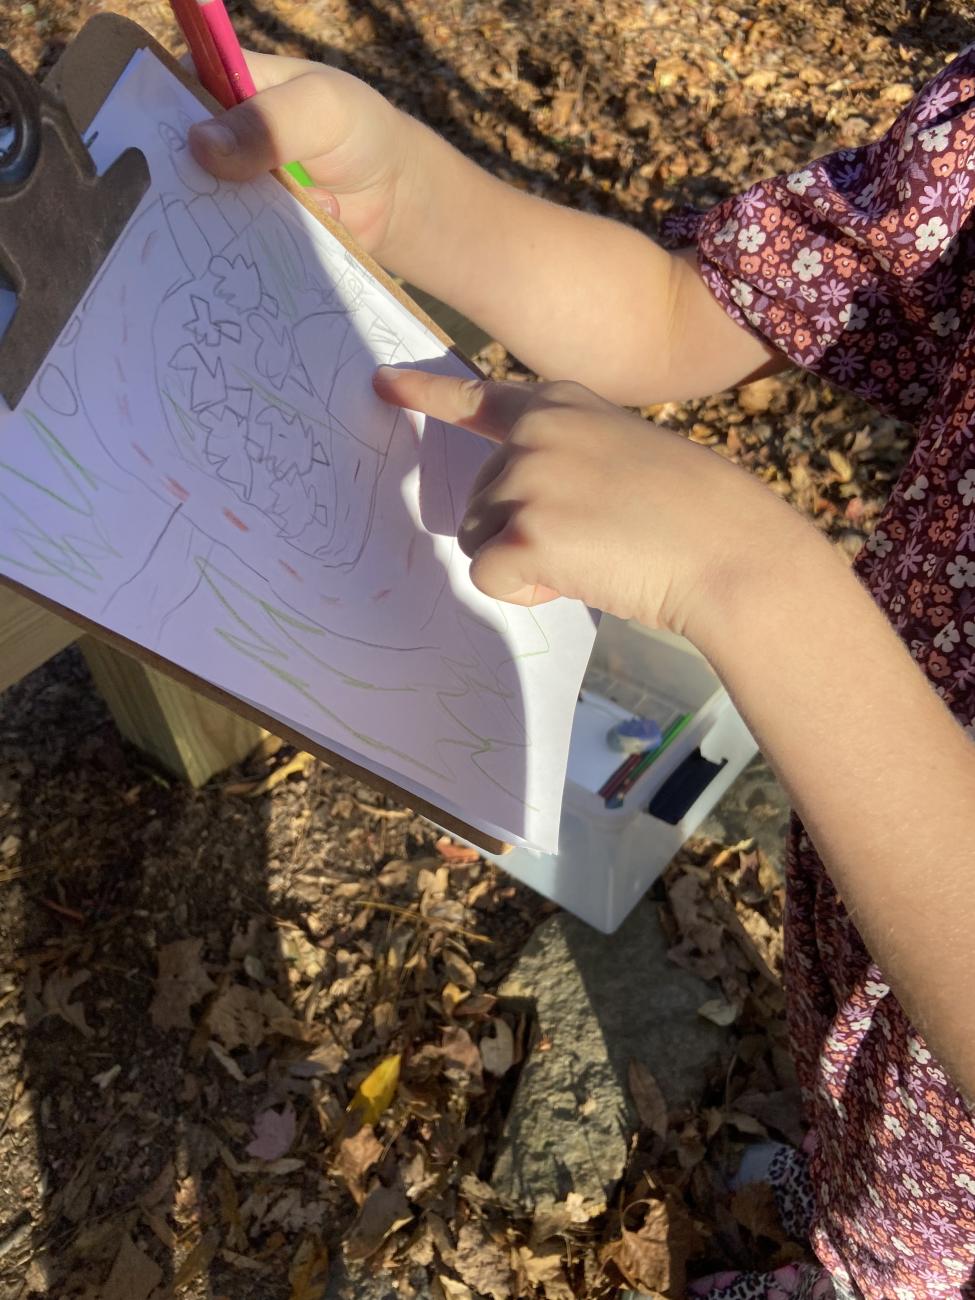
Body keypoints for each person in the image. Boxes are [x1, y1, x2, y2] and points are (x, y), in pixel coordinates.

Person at [189, 44, 975, 1300]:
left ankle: (862, 1269)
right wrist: (413, 192)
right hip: (870, 903)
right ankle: (848, 1204)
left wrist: (754, 577)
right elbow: (679, 312)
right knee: (863, 1124)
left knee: (916, 1238)